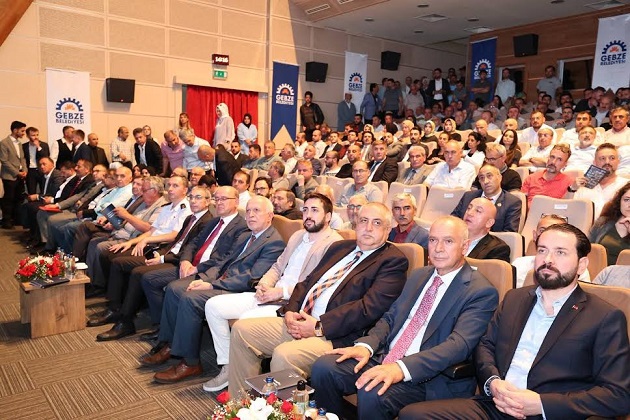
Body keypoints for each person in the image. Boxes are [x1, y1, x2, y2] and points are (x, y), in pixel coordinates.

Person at [400, 223, 630, 420]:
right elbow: (485, 346)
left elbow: (618, 395)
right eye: (542, 250)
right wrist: (492, 382)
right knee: (413, 415)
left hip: (548, 413)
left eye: (560, 252)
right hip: (496, 405)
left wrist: (541, 404)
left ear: (581, 265)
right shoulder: (515, 299)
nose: (548, 260)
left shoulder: (604, 317)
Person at [311, 216, 499, 420]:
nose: (438, 248)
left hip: (428, 377)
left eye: (448, 241)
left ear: (465, 246)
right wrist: (366, 346)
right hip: (386, 357)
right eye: (433, 240)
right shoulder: (419, 275)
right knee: (325, 367)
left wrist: (401, 368)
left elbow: (457, 346)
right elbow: (391, 318)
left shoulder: (480, 291)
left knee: (372, 390)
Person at [227, 202, 409, 394]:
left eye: (377, 223)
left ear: (388, 229)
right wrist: (290, 311)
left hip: (335, 334)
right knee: (242, 331)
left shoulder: (392, 261)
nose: (368, 227)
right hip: (300, 320)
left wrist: (318, 326)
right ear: (356, 224)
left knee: (285, 355)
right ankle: (240, 403)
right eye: (364, 220)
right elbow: (307, 283)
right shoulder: (340, 247)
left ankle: (281, 410)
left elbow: (367, 309)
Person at [201, 193, 343, 391]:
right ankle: (227, 365)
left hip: (288, 303)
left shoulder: (333, 244)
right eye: (305, 210)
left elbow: (315, 286)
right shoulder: (298, 236)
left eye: (315, 210)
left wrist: (279, 292)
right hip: (270, 294)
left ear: (328, 216)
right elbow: (277, 266)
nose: (308, 215)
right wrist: (264, 285)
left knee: (244, 324)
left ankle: (248, 385)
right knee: (213, 306)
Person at [139, 196, 285, 384]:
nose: (250, 215)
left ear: (270, 216)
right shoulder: (246, 235)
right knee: (176, 289)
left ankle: (190, 363)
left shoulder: (274, 242)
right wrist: (206, 278)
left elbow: (250, 278)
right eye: (248, 211)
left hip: (238, 290)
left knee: (190, 298)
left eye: (256, 211)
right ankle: (170, 345)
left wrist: (211, 285)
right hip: (221, 280)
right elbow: (223, 262)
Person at [91, 185, 214, 341]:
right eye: (192, 197)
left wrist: (162, 258)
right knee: (118, 262)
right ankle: (118, 311)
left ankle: (130, 321)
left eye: (198, 197)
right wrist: (161, 253)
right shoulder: (191, 218)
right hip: (169, 253)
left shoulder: (207, 221)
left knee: (139, 273)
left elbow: (191, 251)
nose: (193, 201)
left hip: (180, 262)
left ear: (208, 201)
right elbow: (177, 242)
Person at [137, 186, 248, 340]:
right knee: (149, 279)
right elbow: (192, 244)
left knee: (174, 288)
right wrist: (185, 261)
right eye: (217, 199)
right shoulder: (214, 221)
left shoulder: (242, 227)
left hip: (208, 272)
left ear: (236, 201)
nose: (219, 202)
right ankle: (162, 326)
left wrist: (196, 268)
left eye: (224, 199)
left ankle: (167, 339)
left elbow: (225, 258)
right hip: (191, 266)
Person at [453, 165, 522, 232]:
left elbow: (509, 233)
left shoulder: (512, 202)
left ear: (500, 178)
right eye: (482, 178)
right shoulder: (468, 196)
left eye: (489, 176)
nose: (485, 181)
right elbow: (454, 220)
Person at [572, 143, 627, 219]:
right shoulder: (583, 187)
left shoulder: (626, 185)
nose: (607, 162)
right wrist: (572, 189)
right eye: (602, 158)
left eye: (612, 158)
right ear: (594, 163)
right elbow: (570, 212)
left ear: (618, 161)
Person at [589, 181, 630, 266]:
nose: (629, 205)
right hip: (599, 272)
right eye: (626, 200)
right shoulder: (603, 222)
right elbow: (586, 250)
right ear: (619, 201)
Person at [463, 198, 511, 262]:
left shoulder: (498, 249)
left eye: (478, 211)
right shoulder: (453, 238)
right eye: (469, 208)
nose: (469, 213)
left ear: (489, 223)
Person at [0, 121, 27, 228]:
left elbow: (22, 159)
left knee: (18, 198)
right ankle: (6, 221)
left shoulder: (19, 143)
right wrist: (17, 173)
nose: (23, 133)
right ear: (15, 130)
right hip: (9, 176)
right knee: (9, 199)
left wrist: (24, 170)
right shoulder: (4, 143)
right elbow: (4, 161)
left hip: (20, 176)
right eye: (22, 131)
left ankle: (16, 220)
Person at [22, 126, 50, 194]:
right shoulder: (24, 146)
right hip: (30, 171)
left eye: (37, 135)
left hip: (41, 170)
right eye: (33, 135)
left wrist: (38, 147)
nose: (36, 137)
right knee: (31, 192)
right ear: (28, 136)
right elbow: (22, 159)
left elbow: (46, 157)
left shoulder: (44, 145)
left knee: (44, 191)